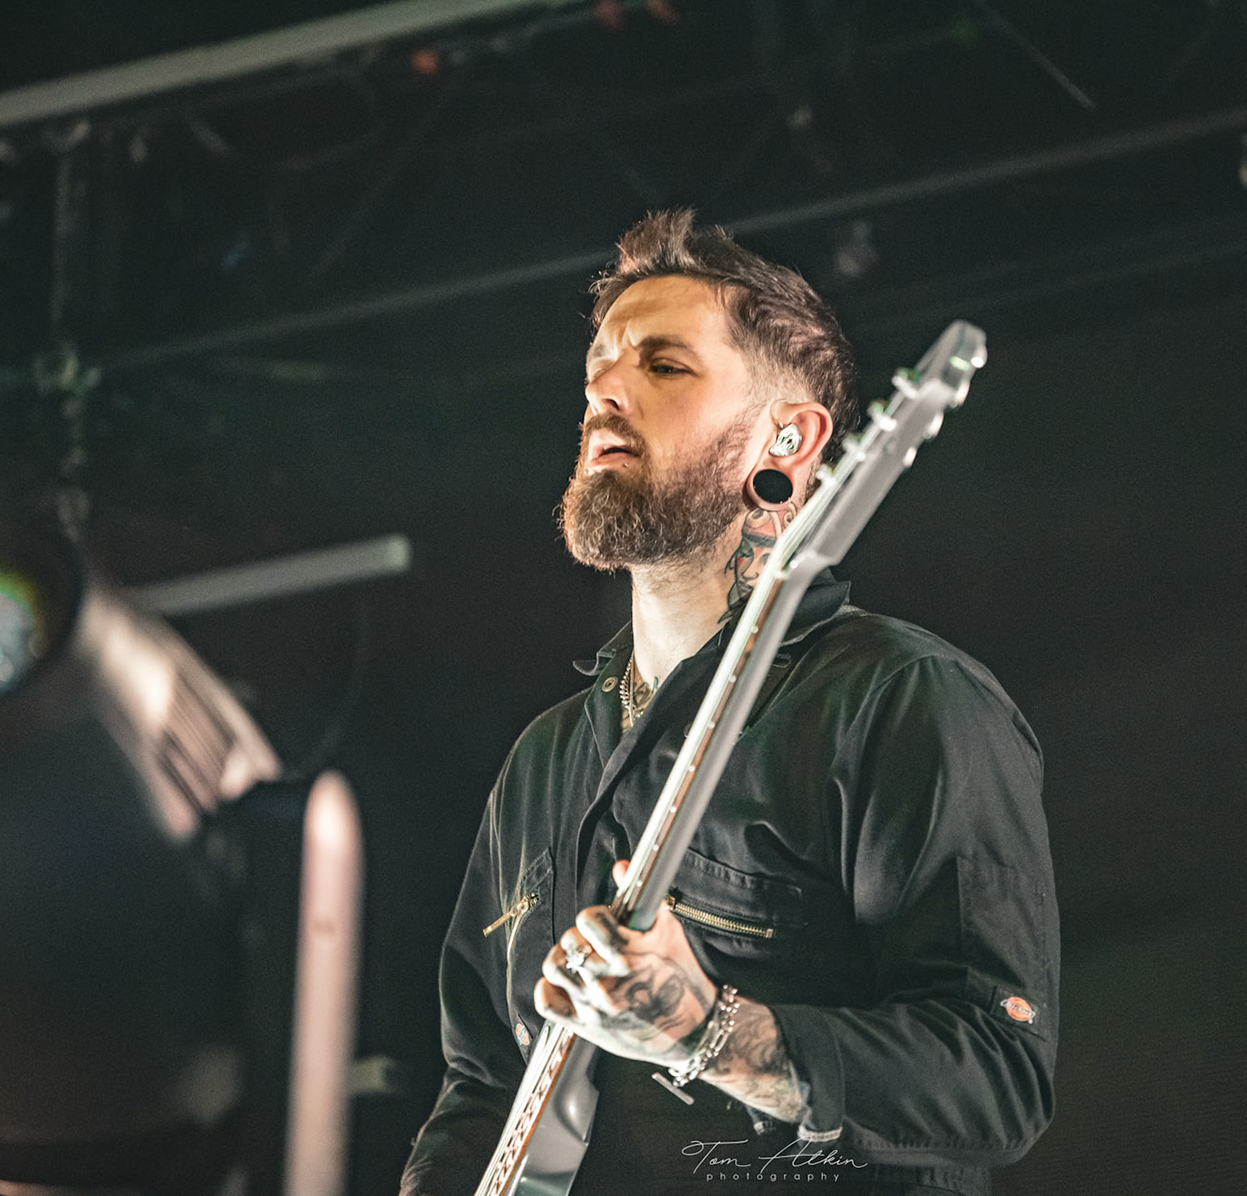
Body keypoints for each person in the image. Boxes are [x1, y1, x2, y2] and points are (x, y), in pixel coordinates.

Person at [400, 211, 1058, 1195]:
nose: (606, 390)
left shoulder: (900, 700)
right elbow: (484, 1084)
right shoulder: (543, 763)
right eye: (599, 367)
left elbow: (996, 1081)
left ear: (789, 436)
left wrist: (705, 1029)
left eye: (664, 365)